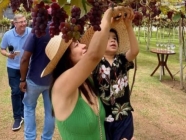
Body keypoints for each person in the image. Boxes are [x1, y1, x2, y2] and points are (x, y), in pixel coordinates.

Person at [41, 6, 129, 140]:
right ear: (65, 58)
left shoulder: (88, 80)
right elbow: (94, 56)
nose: (83, 45)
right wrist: (107, 15)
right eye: (76, 45)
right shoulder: (60, 86)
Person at [92, 7, 139, 140]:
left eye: (115, 38)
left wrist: (128, 27)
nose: (113, 40)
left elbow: (134, 51)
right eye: (107, 38)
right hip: (104, 118)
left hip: (123, 116)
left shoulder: (122, 60)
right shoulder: (95, 63)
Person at [19, 10, 55, 140]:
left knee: (29, 108)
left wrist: (22, 79)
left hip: (34, 79)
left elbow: (24, 58)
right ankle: (47, 138)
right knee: (50, 112)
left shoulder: (37, 31)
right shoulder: (60, 33)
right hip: (52, 80)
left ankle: (30, 138)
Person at [0, 14, 31, 131]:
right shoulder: (8, 35)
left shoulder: (31, 32)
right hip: (13, 67)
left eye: (24, 21)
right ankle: (17, 117)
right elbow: (2, 49)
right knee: (15, 91)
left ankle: (24, 114)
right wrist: (8, 54)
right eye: (21, 22)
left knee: (26, 91)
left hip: (28, 67)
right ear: (15, 24)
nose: (24, 24)